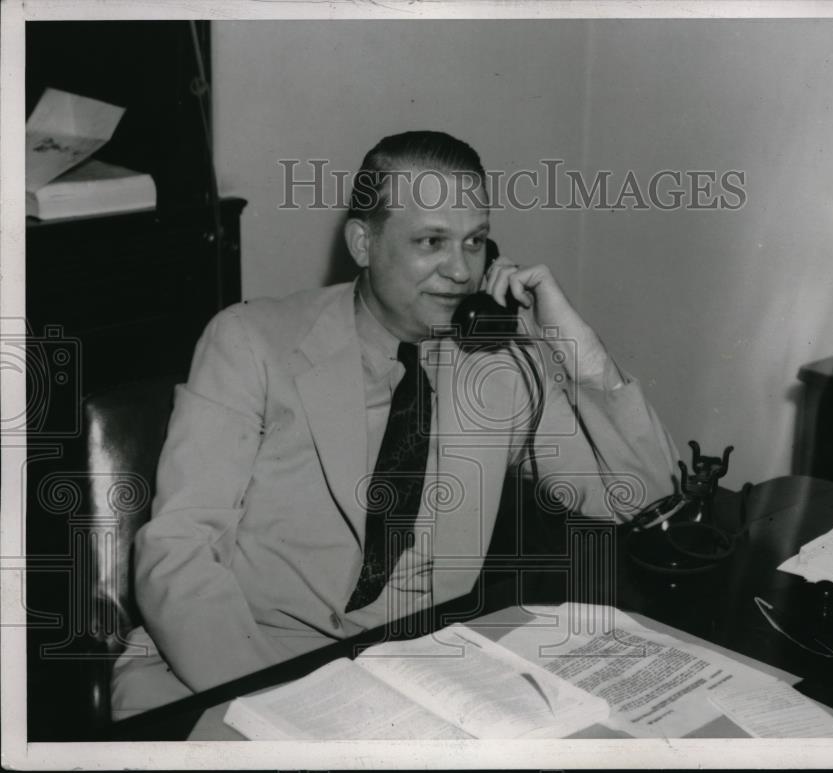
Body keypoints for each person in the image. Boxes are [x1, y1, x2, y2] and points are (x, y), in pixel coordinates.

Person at [111, 130, 680, 717]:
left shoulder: (502, 368)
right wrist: (281, 704)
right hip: (228, 668)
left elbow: (641, 499)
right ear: (363, 242)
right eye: (432, 241)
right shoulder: (251, 342)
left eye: (475, 242)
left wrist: (576, 348)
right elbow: (179, 549)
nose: (461, 270)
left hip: (406, 682)